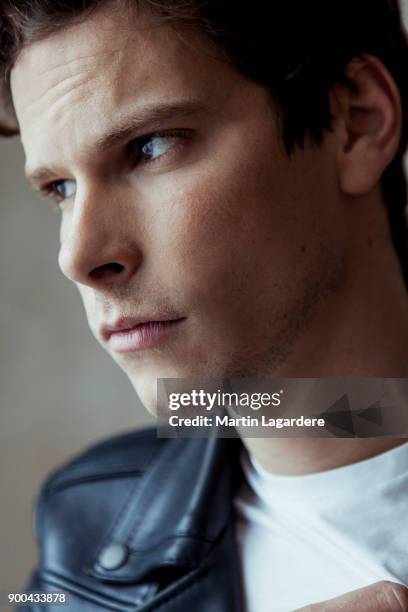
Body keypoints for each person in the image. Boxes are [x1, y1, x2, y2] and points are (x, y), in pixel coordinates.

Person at [2, 0, 408, 609]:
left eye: (150, 146)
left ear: (355, 121)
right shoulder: (85, 530)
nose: (78, 255)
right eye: (60, 188)